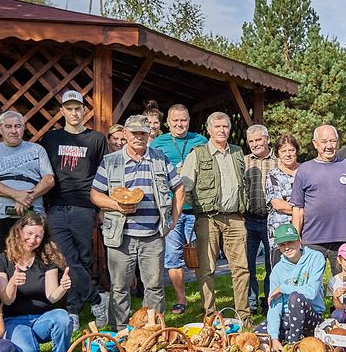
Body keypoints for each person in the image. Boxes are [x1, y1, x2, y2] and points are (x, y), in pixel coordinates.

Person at [90, 114, 184, 326]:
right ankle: (120, 333)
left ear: (148, 134)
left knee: (154, 286)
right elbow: (95, 194)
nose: (138, 137)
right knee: (119, 287)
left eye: (143, 133)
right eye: (134, 133)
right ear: (125, 134)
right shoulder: (111, 161)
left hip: (153, 235)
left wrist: (173, 220)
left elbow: (179, 187)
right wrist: (117, 205)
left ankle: (153, 331)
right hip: (121, 236)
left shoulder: (160, 159)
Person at [39, 91, 107, 333]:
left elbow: (102, 174)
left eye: (78, 108)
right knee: (66, 259)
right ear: (62, 112)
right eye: (69, 108)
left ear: (83, 111)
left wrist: (100, 207)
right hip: (57, 206)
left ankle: (73, 310)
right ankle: (97, 299)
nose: (74, 112)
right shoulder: (50, 138)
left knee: (83, 259)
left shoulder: (96, 139)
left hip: (84, 206)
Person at [180, 111, 250, 318]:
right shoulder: (198, 153)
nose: (221, 130)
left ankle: (243, 316)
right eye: (217, 126)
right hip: (207, 219)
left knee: (241, 269)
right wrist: (201, 208)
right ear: (209, 130)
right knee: (206, 269)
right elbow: (186, 187)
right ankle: (210, 315)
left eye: (225, 126)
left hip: (235, 218)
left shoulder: (237, 153)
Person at [0, 213, 72, 352]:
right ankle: (12, 350)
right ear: (19, 231)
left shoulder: (47, 259)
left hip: (42, 319)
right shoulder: (0, 261)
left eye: (38, 236)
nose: (33, 240)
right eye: (29, 233)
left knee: (62, 317)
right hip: (14, 320)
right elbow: (7, 301)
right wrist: (13, 282)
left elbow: (52, 296)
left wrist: (63, 287)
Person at [150, 104, 207, 315]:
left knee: (201, 256)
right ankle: (181, 300)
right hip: (171, 209)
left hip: (196, 208)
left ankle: (206, 301)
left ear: (189, 121)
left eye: (183, 120)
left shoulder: (200, 141)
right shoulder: (158, 143)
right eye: (175, 120)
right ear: (168, 123)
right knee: (173, 257)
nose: (179, 124)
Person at [0, 110, 54, 261]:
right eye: (8, 126)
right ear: (0, 128)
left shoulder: (37, 149)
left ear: (23, 128)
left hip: (33, 216)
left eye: (17, 126)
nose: (13, 131)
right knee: (0, 262)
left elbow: (49, 180)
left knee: (36, 261)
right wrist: (17, 195)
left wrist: (27, 198)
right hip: (1, 216)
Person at [291, 124, 346, 275]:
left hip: (343, 239)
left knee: (345, 288)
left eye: (333, 141)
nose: (329, 146)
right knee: (309, 286)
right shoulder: (305, 169)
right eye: (324, 141)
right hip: (312, 240)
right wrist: (295, 238)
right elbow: (298, 209)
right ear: (315, 143)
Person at [265, 222, 327, 343]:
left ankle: (293, 343)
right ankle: (282, 338)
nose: (287, 247)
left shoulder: (316, 258)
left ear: (299, 241)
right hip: (286, 318)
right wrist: (273, 337)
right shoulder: (277, 270)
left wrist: (283, 288)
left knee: (295, 298)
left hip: (310, 316)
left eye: (290, 242)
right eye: (282, 245)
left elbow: (311, 292)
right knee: (260, 336)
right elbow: (274, 305)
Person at [244, 124, 279, 314]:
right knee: (247, 263)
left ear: (267, 139)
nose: (255, 144)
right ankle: (251, 302)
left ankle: (269, 299)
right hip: (249, 219)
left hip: (271, 218)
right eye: (251, 141)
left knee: (271, 263)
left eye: (258, 140)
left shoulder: (278, 161)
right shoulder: (244, 162)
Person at [265, 134, 301, 264]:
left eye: (291, 150)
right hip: (280, 227)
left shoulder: (306, 171)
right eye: (283, 151)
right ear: (278, 154)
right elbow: (277, 203)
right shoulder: (273, 175)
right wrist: (301, 210)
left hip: (306, 227)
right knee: (281, 267)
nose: (288, 154)